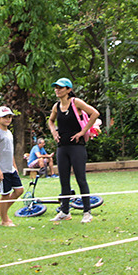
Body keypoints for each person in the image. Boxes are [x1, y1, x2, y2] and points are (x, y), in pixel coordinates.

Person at [46, 78, 100, 224]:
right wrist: (53, 132)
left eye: (61, 88)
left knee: (80, 179)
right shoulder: (56, 106)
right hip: (62, 147)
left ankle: (87, 212)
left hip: (77, 147)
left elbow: (95, 113)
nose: (57, 90)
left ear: (68, 90)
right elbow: (51, 121)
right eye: (56, 87)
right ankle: (64, 211)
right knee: (64, 180)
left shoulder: (76, 102)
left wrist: (83, 132)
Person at [0, 106, 24, 227]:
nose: (8, 119)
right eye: (4, 117)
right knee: (5, 194)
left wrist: (14, 166)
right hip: (2, 170)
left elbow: (10, 151)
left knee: (19, 190)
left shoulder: (9, 132)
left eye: (9, 116)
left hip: (10, 169)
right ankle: (4, 220)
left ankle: (2, 211)